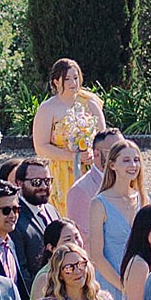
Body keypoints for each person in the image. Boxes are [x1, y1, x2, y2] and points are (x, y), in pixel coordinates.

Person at [31, 57, 106, 208]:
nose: (73, 83)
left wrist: (93, 154)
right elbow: (41, 147)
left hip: (90, 168)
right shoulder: (47, 108)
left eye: (76, 78)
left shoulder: (89, 103)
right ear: (56, 82)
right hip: (60, 172)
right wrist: (73, 157)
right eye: (67, 79)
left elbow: (104, 138)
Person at [89, 143, 148, 293]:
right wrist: (123, 286)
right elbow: (97, 255)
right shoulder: (99, 204)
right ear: (112, 165)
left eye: (136, 159)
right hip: (111, 284)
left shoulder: (143, 199)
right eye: (126, 160)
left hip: (141, 280)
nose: (133, 165)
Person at [10, 160, 59, 300]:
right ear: (19, 183)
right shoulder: (15, 218)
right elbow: (21, 270)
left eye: (47, 181)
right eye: (36, 182)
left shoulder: (51, 210)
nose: (43, 187)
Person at [65, 129, 121, 239]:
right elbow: (83, 242)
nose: (122, 155)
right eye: (114, 151)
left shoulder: (130, 184)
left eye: (124, 149)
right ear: (96, 154)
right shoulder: (81, 191)